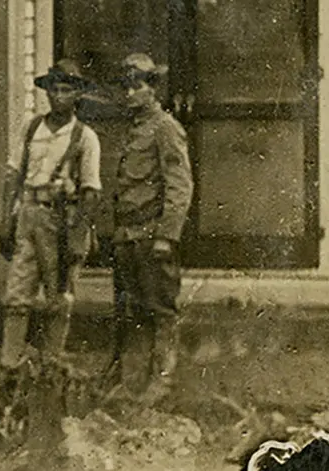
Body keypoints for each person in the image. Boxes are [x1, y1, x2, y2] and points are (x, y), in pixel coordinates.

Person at [0, 59, 102, 368]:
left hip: (59, 219)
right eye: (54, 89)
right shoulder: (31, 128)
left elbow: (91, 191)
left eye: (67, 90)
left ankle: (50, 363)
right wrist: (6, 218)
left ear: (77, 95)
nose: (59, 96)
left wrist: (77, 235)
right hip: (29, 213)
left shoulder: (85, 137)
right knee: (17, 293)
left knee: (58, 296)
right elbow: (14, 174)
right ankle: (10, 363)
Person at [108, 52, 194, 407]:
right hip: (128, 236)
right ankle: (132, 382)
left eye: (137, 86)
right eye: (125, 87)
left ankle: (163, 381)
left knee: (161, 310)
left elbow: (179, 186)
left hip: (151, 236)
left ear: (152, 89)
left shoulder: (165, 128)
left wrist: (166, 236)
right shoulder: (133, 130)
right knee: (133, 310)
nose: (130, 94)